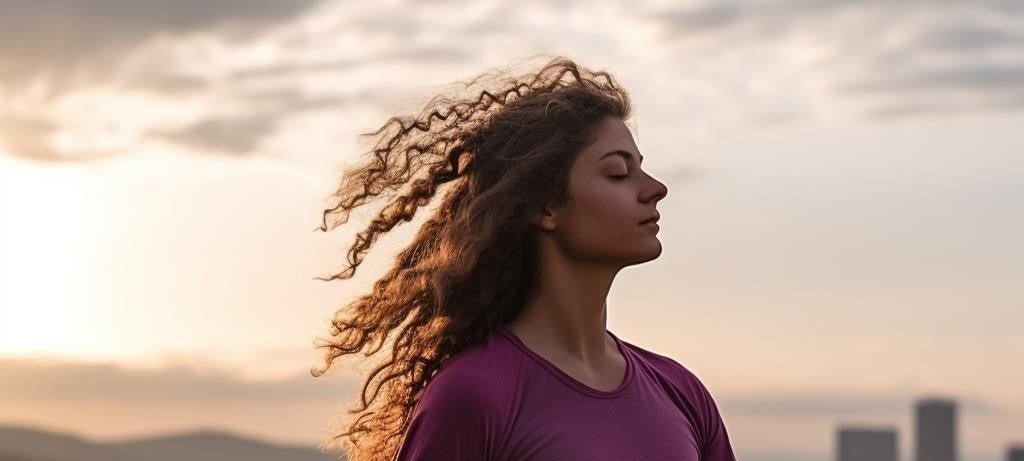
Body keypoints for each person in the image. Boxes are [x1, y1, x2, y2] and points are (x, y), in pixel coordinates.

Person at [309, 54, 737, 461]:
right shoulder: (475, 395)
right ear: (544, 207)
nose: (655, 188)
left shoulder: (681, 391)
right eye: (618, 173)